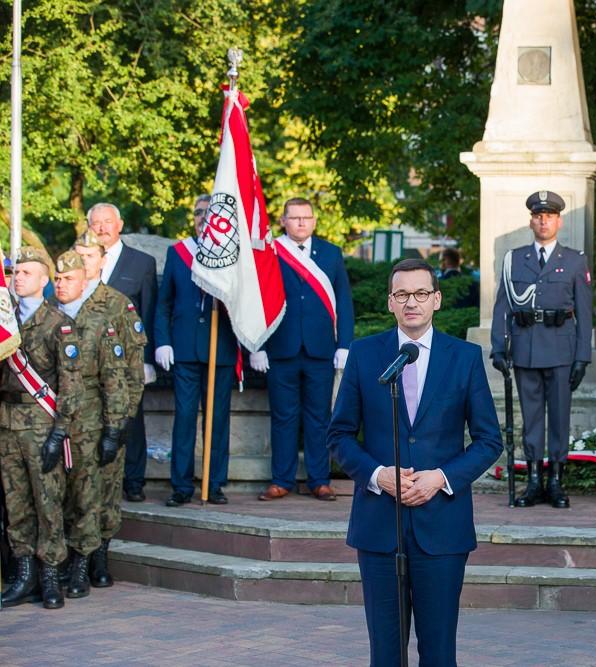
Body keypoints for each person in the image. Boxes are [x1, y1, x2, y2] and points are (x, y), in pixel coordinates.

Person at [328, 258, 501, 666]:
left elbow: (489, 440)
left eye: (421, 293)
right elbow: (338, 436)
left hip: (441, 527)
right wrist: (377, 475)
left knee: (439, 653)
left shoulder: (464, 358)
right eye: (402, 294)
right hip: (379, 526)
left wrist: (441, 478)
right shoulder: (364, 354)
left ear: (436, 299)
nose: (412, 302)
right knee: (385, 654)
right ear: (390, 302)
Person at [489, 190, 593, 509]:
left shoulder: (575, 260)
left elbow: (585, 312)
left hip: (562, 350)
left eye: (549, 216)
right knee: (532, 418)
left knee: (559, 418)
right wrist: (498, 348)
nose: (543, 221)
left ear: (559, 221)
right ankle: (534, 481)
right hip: (526, 349)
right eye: (538, 216)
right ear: (531, 221)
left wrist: (582, 357)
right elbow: (502, 307)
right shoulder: (514, 259)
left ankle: (556, 481)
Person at [252, 198, 354, 502]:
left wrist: (344, 345)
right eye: (293, 218)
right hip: (280, 348)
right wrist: (257, 345)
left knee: (319, 417)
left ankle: (318, 480)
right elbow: (257, 302)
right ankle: (281, 480)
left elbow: (344, 302)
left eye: (305, 217)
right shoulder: (269, 252)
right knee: (283, 417)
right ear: (283, 220)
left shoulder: (331, 253)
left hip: (320, 349)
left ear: (314, 220)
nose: (300, 223)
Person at [0, 248, 77, 609]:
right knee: (17, 505)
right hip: (7, 423)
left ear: (44, 280)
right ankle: (24, 574)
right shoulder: (5, 320)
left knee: (48, 503)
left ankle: (49, 577)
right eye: (15, 273)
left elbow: (70, 384)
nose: (18, 278)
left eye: (27, 273)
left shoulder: (57, 322)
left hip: (41, 423)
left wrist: (59, 432)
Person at [53, 250, 129, 599]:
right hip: (52, 421)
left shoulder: (100, 320)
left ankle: (84, 563)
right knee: (60, 496)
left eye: (68, 278)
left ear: (83, 281)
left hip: (90, 423)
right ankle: (62, 561)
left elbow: (116, 380)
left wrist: (114, 428)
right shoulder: (46, 317)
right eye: (57, 278)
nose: (61, 284)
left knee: (88, 495)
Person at [74, 230, 147, 587]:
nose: (81, 262)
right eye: (77, 255)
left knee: (104, 490)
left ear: (102, 262)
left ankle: (100, 557)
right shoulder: (59, 302)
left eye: (88, 257)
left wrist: (121, 422)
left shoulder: (118, 304)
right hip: (68, 419)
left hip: (106, 417)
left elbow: (133, 371)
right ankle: (74, 560)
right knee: (73, 492)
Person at [154, 196, 238, 507]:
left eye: (210, 213)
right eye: (199, 213)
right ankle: (181, 486)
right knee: (185, 418)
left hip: (221, 349)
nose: (204, 217)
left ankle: (214, 484)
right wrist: (162, 341)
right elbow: (164, 303)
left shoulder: (232, 254)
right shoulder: (178, 252)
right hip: (185, 349)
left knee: (218, 421)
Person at [87, 202, 158, 502]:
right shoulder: (81, 260)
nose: (102, 228)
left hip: (127, 358)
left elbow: (150, 311)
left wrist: (149, 359)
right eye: (96, 223)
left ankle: (133, 481)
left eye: (107, 222)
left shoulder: (141, 262)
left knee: (131, 418)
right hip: (88, 357)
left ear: (120, 224)